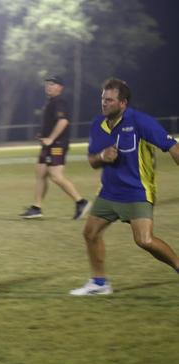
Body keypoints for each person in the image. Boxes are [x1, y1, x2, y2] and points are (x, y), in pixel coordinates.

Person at [70, 78, 179, 295]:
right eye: (103, 99)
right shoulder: (97, 125)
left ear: (123, 103)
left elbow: (173, 147)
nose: (104, 104)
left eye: (109, 100)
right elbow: (93, 161)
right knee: (90, 234)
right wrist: (103, 156)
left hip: (137, 191)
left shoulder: (141, 122)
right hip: (109, 193)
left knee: (145, 240)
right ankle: (100, 284)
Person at [20, 75, 90, 220]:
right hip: (48, 145)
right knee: (40, 173)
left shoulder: (59, 102)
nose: (48, 86)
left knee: (56, 176)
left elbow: (63, 121)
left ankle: (81, 202)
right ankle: (36, 208)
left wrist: (51, 138)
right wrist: (43, 134)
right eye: (47, 84)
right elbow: (53, 122)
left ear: (60, 87)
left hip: (57, 145)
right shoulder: (51, 102)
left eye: (52, 84)